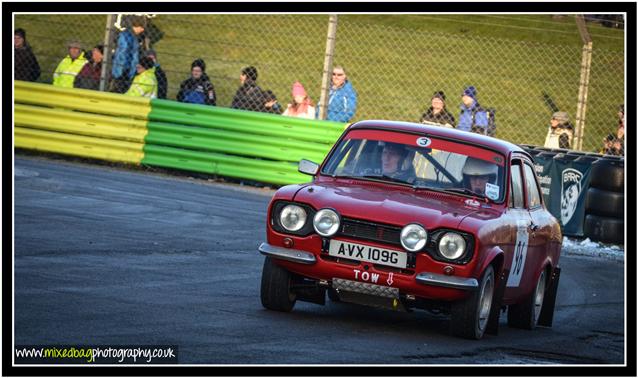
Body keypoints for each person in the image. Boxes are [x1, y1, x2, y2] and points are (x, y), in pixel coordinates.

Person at [110, 15, 145, 93]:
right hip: (124, 71)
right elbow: (126, 54)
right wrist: (126, 72)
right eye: (141, 27)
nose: (142, 30)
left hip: (122, 70)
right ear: (136, 26)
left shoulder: (129, 35)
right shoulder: (129, 37)